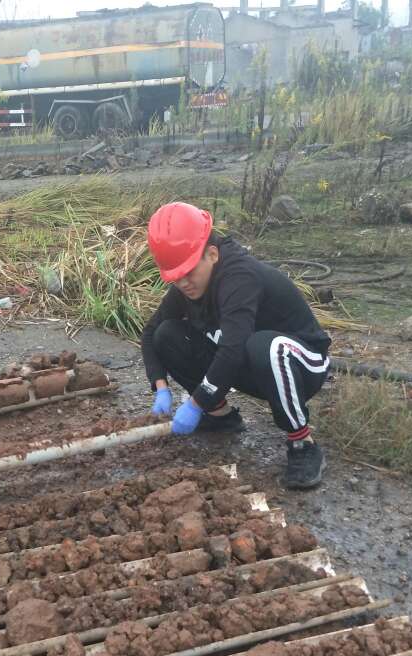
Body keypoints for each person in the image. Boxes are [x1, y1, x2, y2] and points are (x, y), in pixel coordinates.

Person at [141, 202, 330, 489]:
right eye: (175, 277)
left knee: (264, 346)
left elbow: (233, 347)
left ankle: (303, 443)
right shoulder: (190, 280)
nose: (183, 283)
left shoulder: (239, 278)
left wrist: (194, 404)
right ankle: (220, 416)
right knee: (168, 333)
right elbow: (151, 332)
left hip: (302, 362)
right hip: (250, 363)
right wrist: (160, 387)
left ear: (212, 254)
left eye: (189, 272)